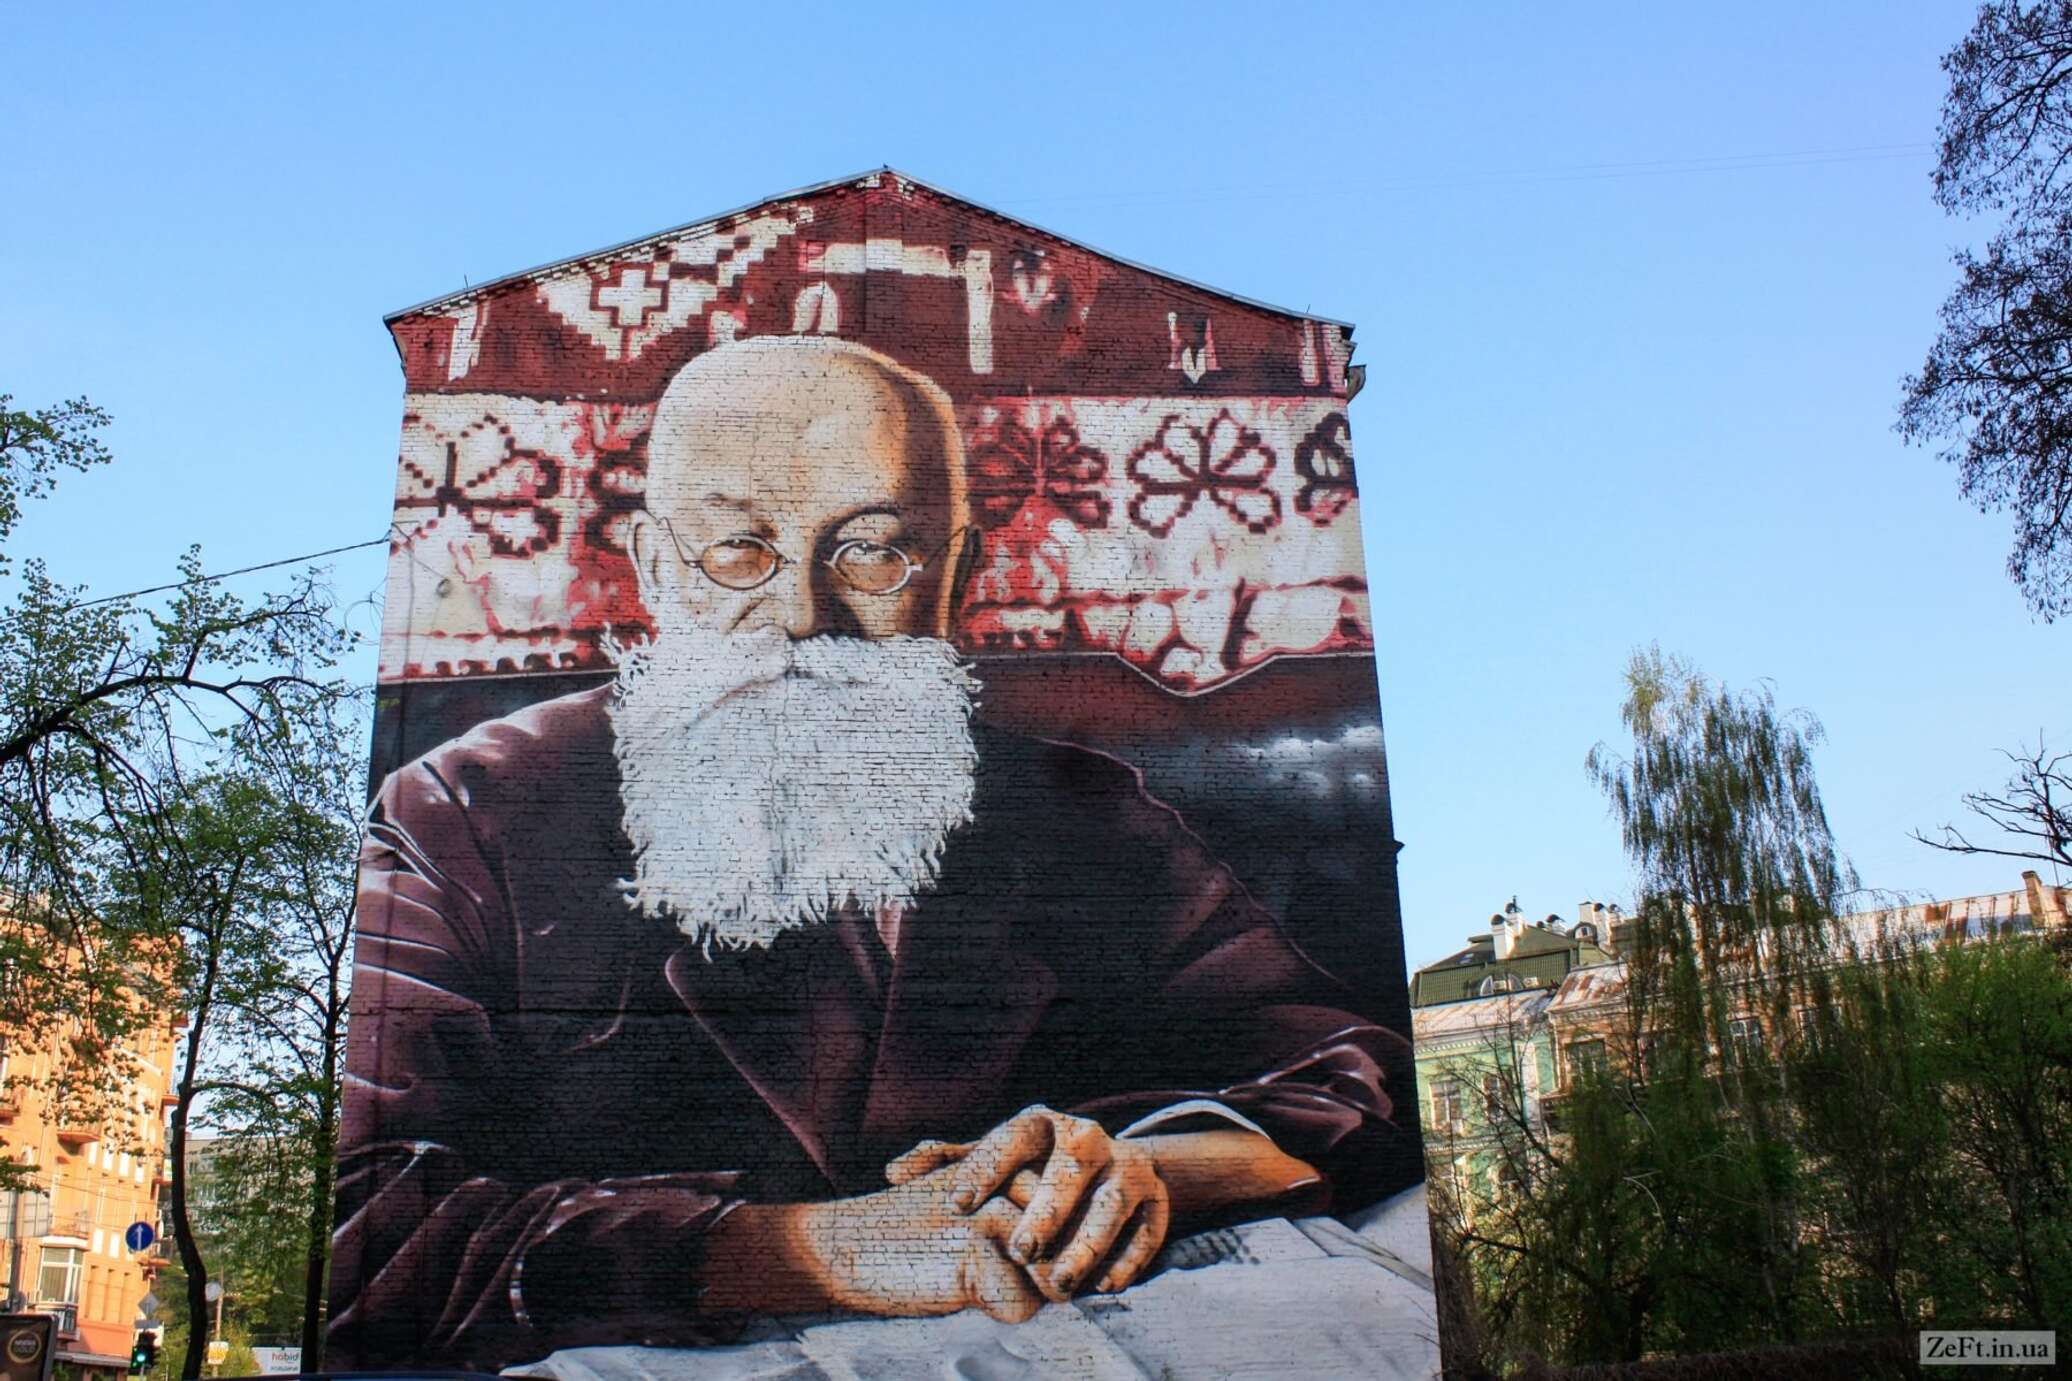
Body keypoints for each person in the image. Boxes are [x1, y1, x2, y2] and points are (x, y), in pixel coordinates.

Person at [328, 335, 1411, 1369]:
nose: (802, 614)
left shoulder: (1078, 815)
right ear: (654, 566)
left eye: (871, 548)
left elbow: (1354, 1073)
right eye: (738, 548)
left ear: (957, 572)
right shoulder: (466, 813)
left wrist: (1154, 1169)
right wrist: (812, 1252)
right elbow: (368, 1228)